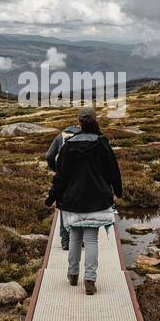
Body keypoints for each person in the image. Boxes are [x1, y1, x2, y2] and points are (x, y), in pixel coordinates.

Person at [44, 106, 122, 296]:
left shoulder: (69, 145)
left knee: (74, 238)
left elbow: (61, 177)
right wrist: (118, 192)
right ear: (95, 120)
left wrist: (51, 198)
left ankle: (72, 274)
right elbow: (113, 170)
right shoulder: (102, 143)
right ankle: (90, 280)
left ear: (79, 122)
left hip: (72, 200)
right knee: (92, 240)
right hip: (97, 199)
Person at [44, 119, 83, 249]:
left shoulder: (60, 136)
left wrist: (55, 168)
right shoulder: (86, 136)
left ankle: (65, 241)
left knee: (64, 207)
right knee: (81, 207)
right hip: (81, 176)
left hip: (63, 174)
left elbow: (49, 155)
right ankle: (78, 239)